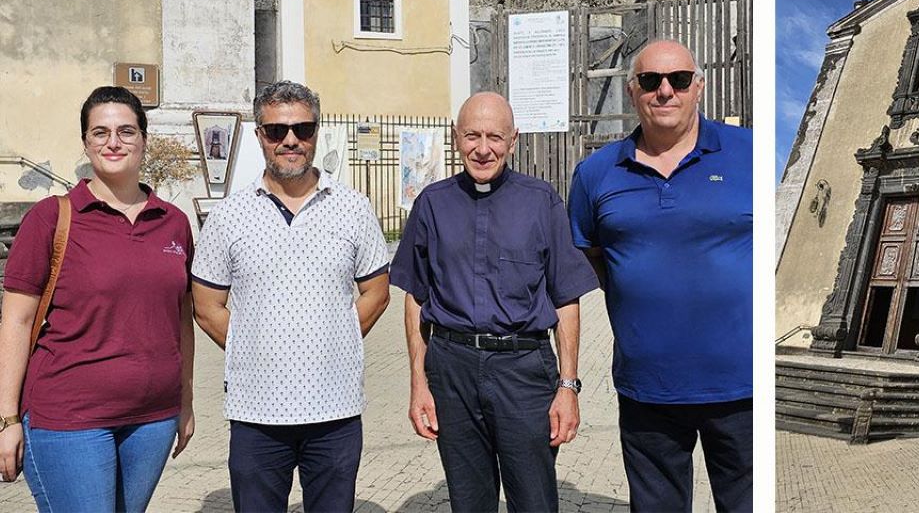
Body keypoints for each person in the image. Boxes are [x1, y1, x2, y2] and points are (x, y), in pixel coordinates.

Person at [568, 40, 752, 512]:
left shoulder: (747, 153)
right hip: (648, 386)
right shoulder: (596, 172)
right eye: (650, 81)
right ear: (633, 92)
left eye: (679, 80)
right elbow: (592, 255)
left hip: (742, 388)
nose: (665, 91)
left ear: (699, 87)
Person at [391, 92, 598, 512]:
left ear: (513, 139)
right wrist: (418, 383)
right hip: (452, 370)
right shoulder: (432, 203)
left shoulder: (541, 202)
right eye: (471, 136)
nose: (483, 149)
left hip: (523, 371)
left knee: (534, 500)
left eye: (494, 137)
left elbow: (566, 300)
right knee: (468, 502)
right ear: (455, 138)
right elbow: (415, 296)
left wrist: (568, 387)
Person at [191, 81, 390, 512]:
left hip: (335, 409)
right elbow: (206, 306)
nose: (291, 141)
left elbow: (376, 292)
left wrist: (333, 339)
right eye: (276, 131)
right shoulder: (229, 216)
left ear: (316, 132)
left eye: (303, 128)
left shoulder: (353, 207)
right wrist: (259, 347)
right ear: (259, 135)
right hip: (256, 412)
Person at [0, 86, 196, 511]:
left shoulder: (174, 223)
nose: (113, 142)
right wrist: (8, 419)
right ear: (86, 143)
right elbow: (15, 322)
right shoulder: (52, 218)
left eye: (126, 131)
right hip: (69, 418)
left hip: (153, 418)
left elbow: (181, 316)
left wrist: (185, 400)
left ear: (144, 139)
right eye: (100, 132)